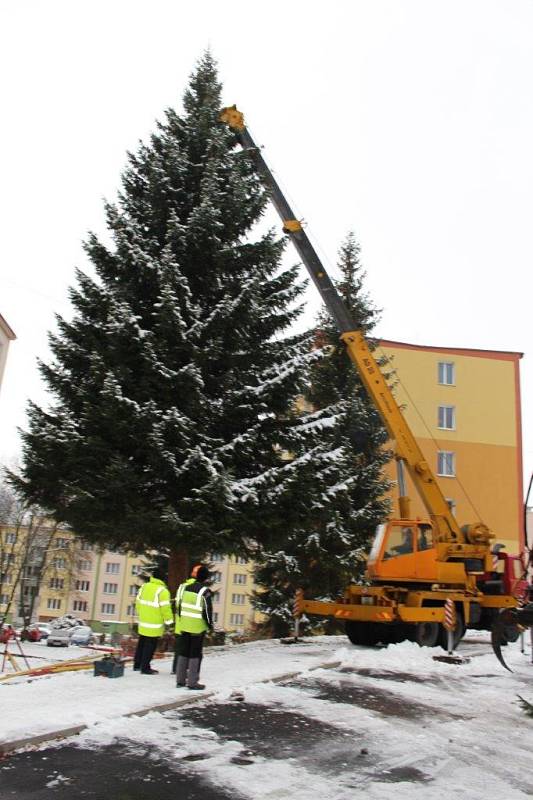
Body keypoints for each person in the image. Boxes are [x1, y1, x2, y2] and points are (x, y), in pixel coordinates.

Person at [175, 564, 213, 690]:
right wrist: (209, 625)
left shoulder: (187, 588)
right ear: (206, 578)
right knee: (195, 654)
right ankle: (192, 682)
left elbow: (180, 606)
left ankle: (180, 680)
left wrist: (182, 620)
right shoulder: (205, 591)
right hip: (197, 627)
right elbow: (207, 611)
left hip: (184, 625)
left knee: (183, 652)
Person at [133, 568, 174, 675]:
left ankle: (137, 664)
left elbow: (137, 602)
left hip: (143, 621)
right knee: (150, 645)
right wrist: (169, 621)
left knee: (142, 642)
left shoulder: (144, 587)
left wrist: (141, 614)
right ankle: (145, 667)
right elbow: (165, 608)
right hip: (154, 624)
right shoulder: (162, 591)